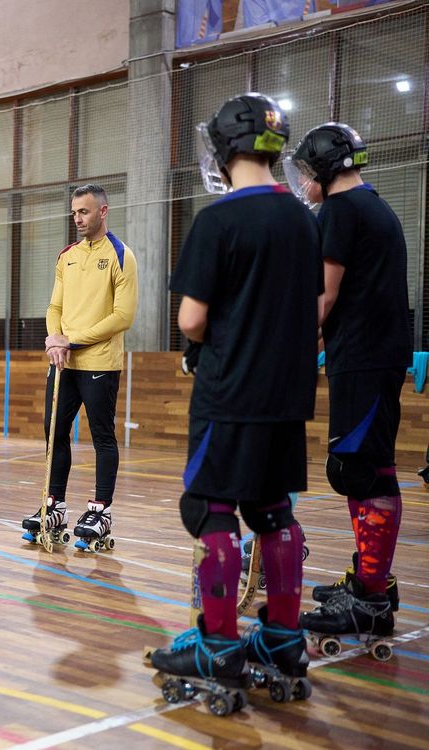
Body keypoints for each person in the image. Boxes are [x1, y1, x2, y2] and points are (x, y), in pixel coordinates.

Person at [147, 95, 321, 707]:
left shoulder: (218, 221)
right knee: (274, 512)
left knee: (211, 510)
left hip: (230, 392)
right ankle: (282, 639)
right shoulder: (305, 217)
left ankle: (217, 644)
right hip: (287, 394)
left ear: (224, 147)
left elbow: (191, 319)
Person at [285, 123, 409, 643]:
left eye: (309, 172)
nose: (305, 182)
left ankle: (371, 600)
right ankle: (369, 581)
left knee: (359, 471)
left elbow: (327, 295)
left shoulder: (340, 209)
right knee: (369, 466)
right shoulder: (375, 207)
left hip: (363, 358)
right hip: (372, 354)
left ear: (328, 170)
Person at [27, 184, 138, 550]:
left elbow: (122, 316)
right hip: (64, 362)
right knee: (54, 431)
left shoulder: (121, 256)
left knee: (102, 437)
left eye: (84, 212)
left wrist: (71, 340)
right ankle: (54, 504)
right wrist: (54, 338)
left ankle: (101, 510)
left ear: (103, 212)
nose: (77, 218)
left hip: (99, 364)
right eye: (74, 212)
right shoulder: (67, 256)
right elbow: (54, 308)